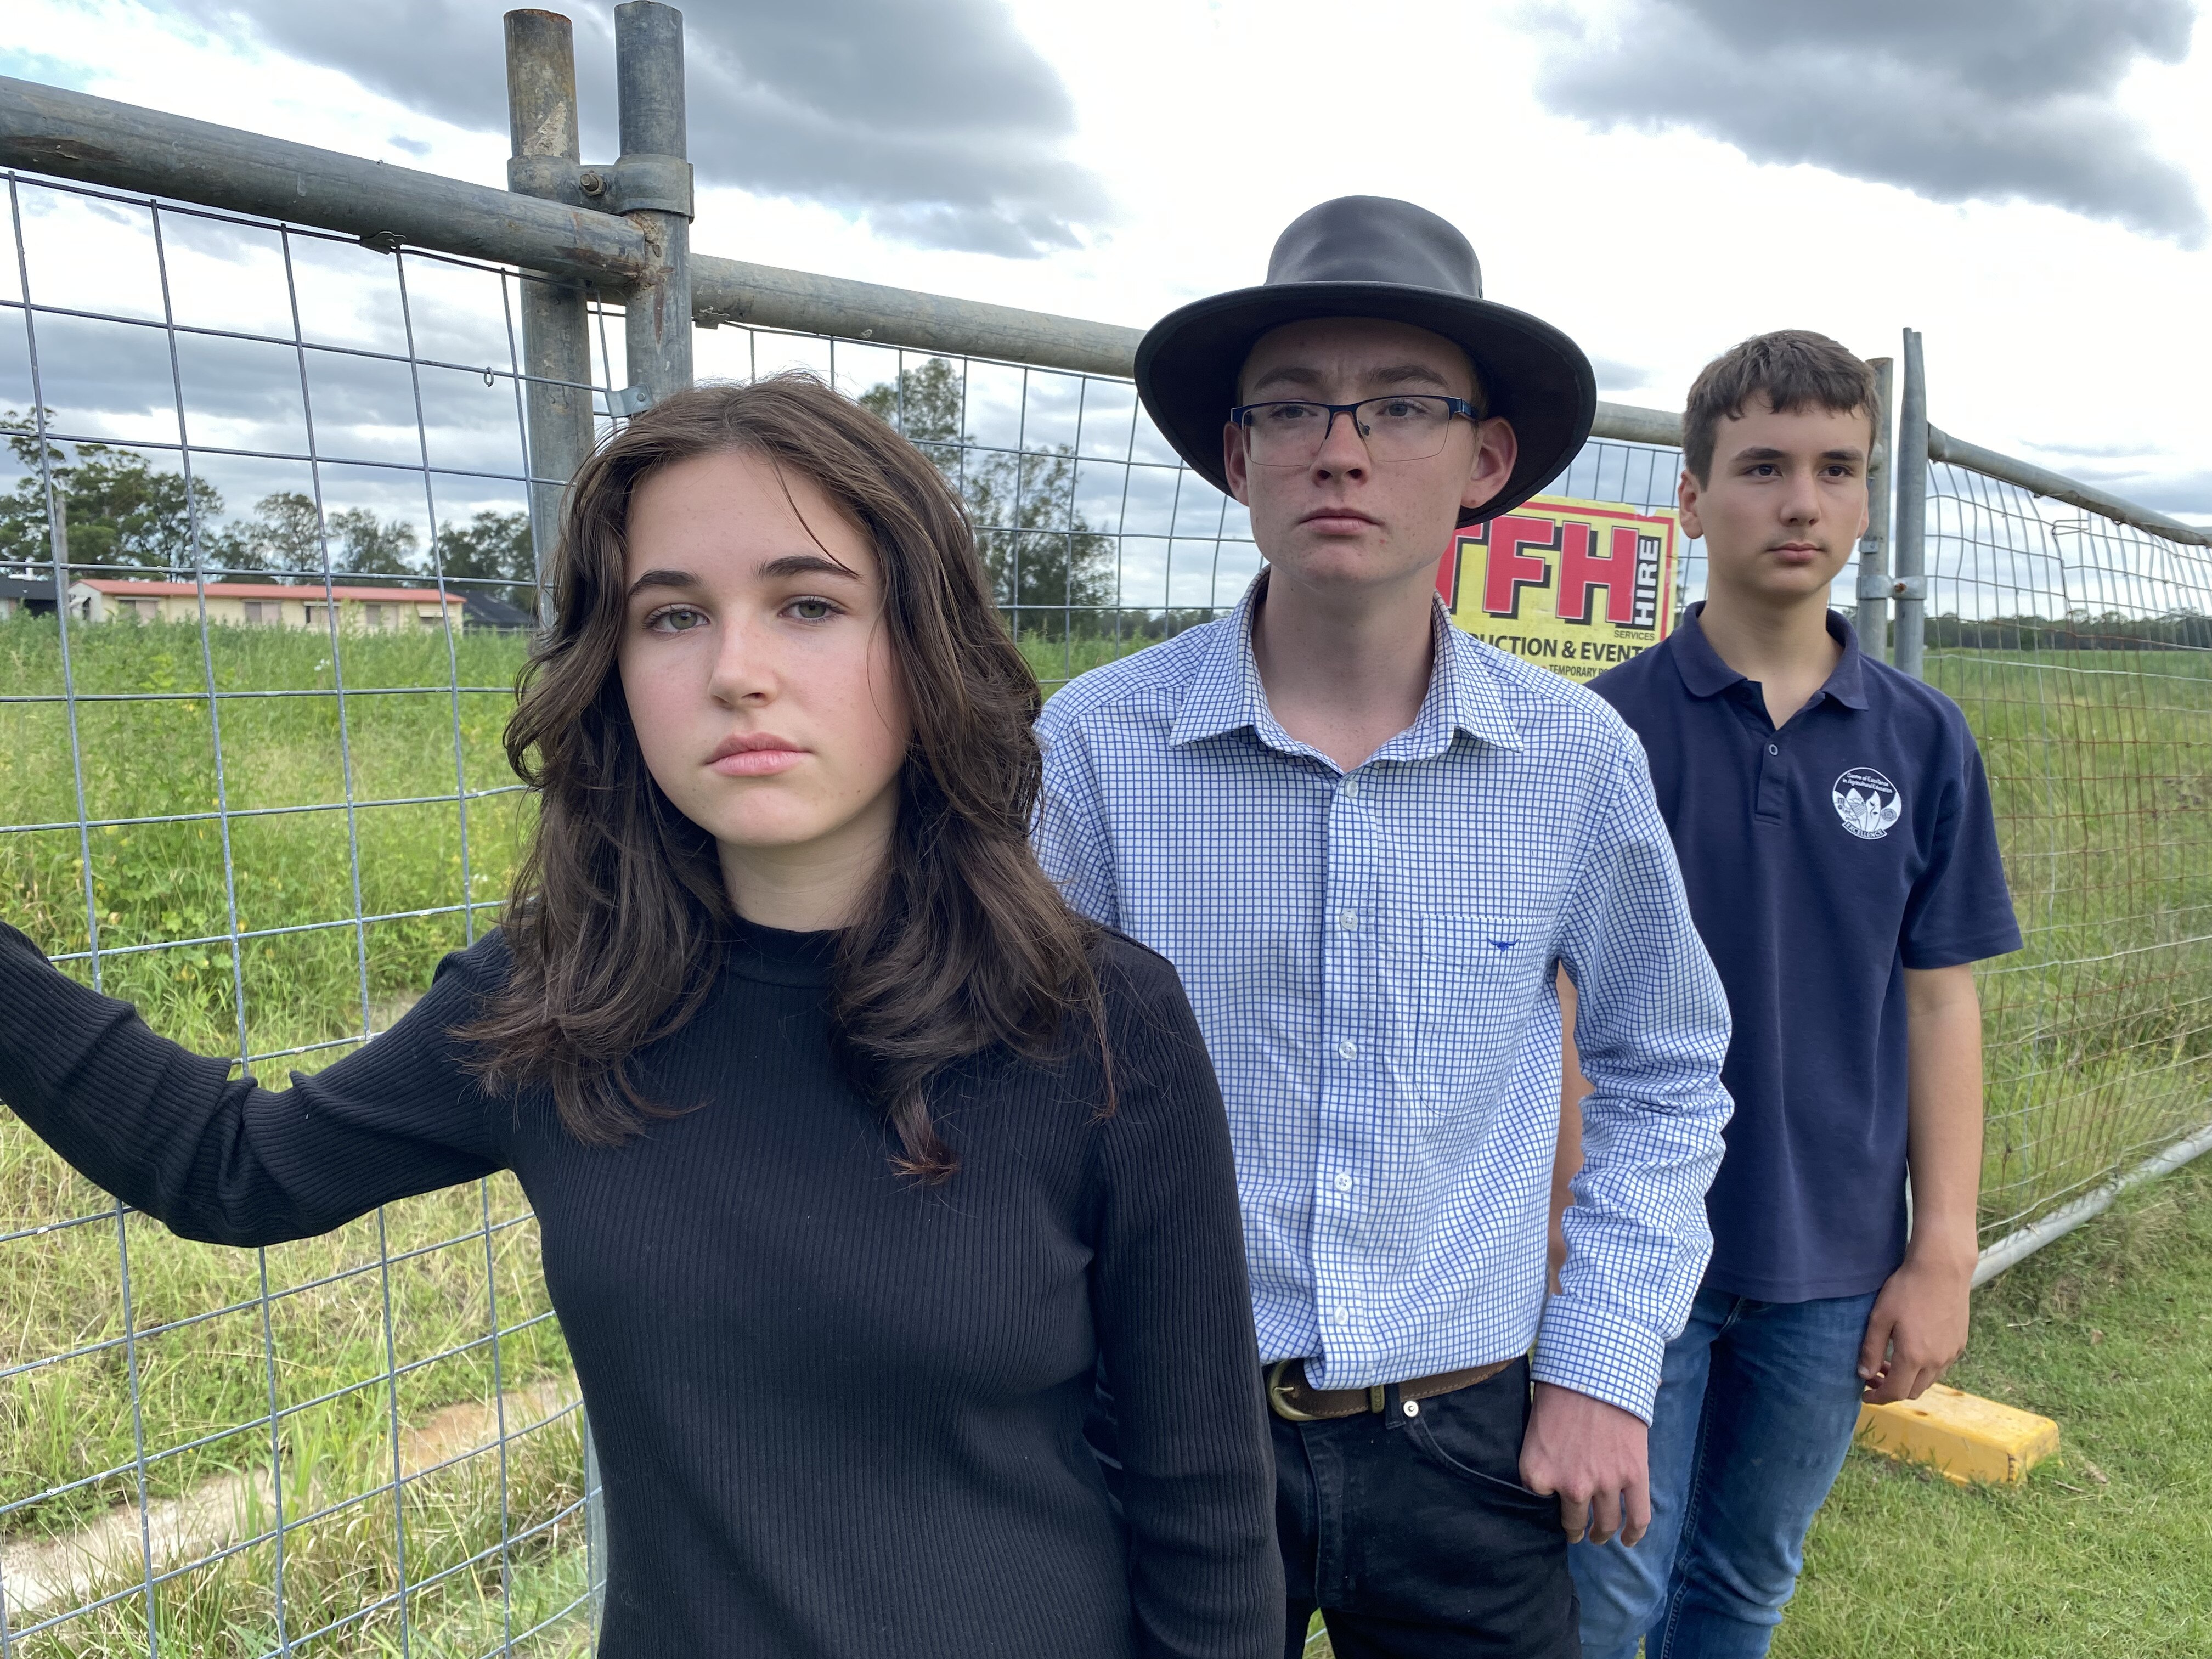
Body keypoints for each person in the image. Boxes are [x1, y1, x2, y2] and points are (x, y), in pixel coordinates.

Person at [0, 376, 1283, 1659]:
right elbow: (237, 1171)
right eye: (671, 618)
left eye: (809, 605)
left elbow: (1205, 1500)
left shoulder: (1095, 1019)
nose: (738, 673)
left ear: (922, 640)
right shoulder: (561, 1002)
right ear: (613, 674)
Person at [1034, 195, 1734, 1658]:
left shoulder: (1573, 763)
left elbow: (1666, 1068)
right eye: (1291, 406)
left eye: (1402, 406)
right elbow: (1021, 1090)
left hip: (1471, 1444)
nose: (1340, 446)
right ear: (1237, 456)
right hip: (1168, 1430)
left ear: (1486, 461)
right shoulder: (1097, 753)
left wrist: (1605, 1362)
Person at [1569, 331, 2022, 1658]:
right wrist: (1554, 1232)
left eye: (1838, 469)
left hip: (1833, 1257)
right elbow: (1552, 1011)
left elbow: (1941, 1005)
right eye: (1762, 467)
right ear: (1692, 499)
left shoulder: (1924, 743)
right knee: (1606, 1599)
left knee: (1746, 1585)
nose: (1802, 502)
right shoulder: (1604, 736)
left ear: (1871, 498)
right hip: (1631, 1253)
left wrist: (1942, 1249)